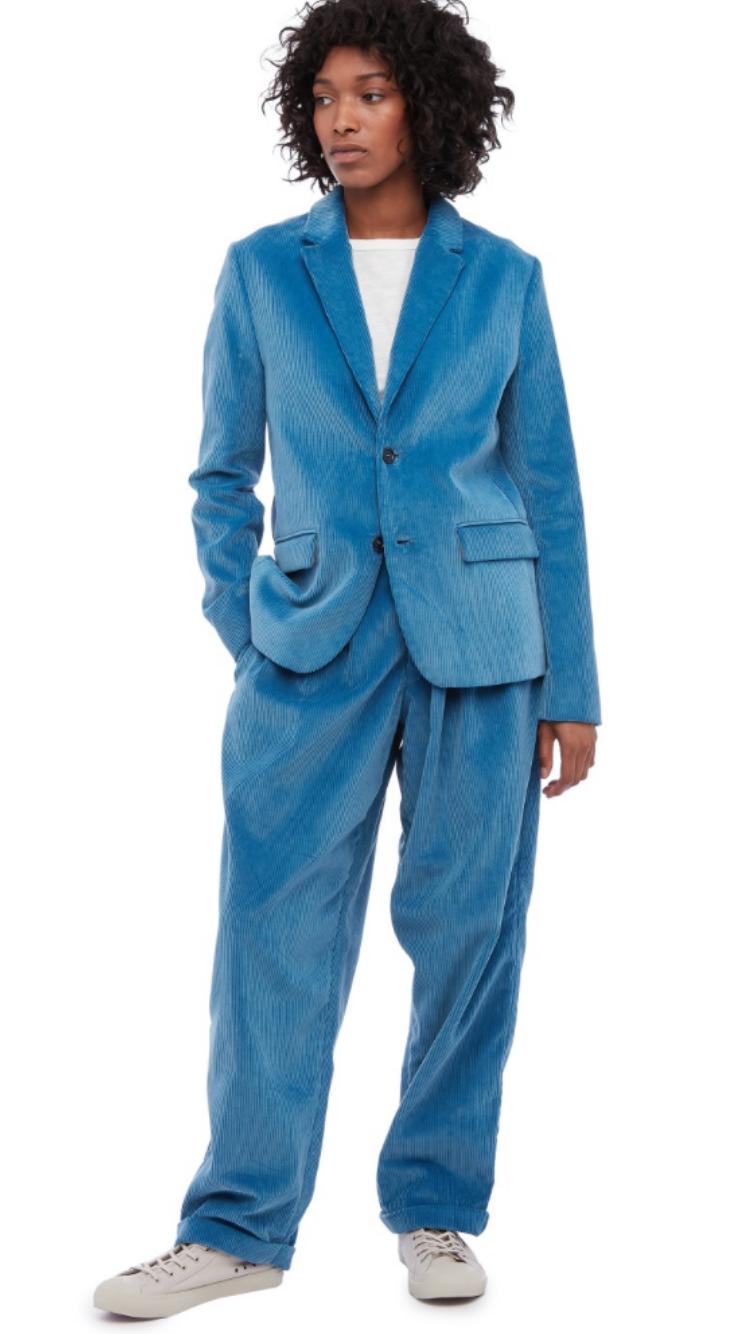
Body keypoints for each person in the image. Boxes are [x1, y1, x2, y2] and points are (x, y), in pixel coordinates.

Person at [94, 0, 601, 1315]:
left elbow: (548, 488)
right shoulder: (264, 269)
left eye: (370, 93)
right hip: (307, 645)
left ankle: (435, 1208)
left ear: (428, 106)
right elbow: (219, 475)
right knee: (271, 927)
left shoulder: (504, 277)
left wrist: (574, 684)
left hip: (484, 643)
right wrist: (247, 623)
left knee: (467, 930)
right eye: (323, 97)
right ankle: (236, 1228)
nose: (341, 119)